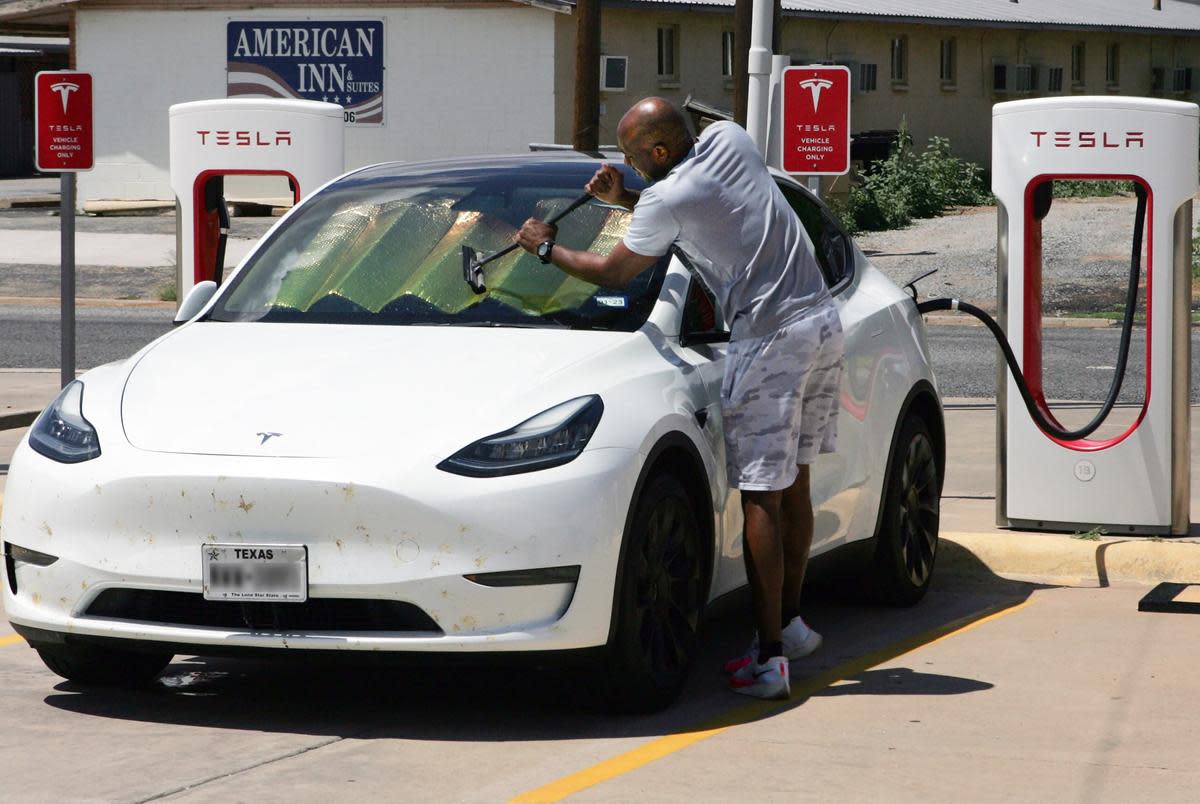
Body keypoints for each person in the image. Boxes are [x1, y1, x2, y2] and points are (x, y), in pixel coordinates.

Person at [514, 97, 844, 700]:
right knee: (794, 480)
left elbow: (614, 271)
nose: (629, 164)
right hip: (821, 323)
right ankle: (791, 626)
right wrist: (625, 198)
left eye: (635, 155)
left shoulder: (665, 196)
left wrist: (543, 248)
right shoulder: (733, 141)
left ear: (661, 151)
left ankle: (770, 660)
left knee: (760, 499)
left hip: (767, 340)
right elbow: (693, 210)